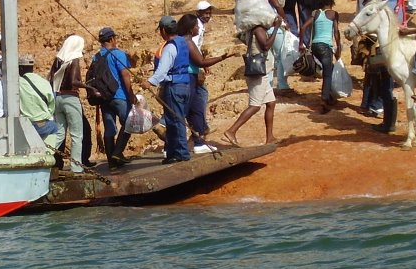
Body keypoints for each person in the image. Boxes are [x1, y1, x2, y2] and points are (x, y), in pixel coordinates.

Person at [145, 15, 232, 162]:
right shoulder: (184, 43)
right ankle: (172, 152)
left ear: (164, 31)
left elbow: (162, 70)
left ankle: (181, 154)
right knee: (176, 119)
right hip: (185, 84)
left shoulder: (170, 46)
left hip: (174, 86)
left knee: (176, 121)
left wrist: (149, 82)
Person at [217, 15, 281, 146]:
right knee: (255, 106)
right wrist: (276, 29)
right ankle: (231, 131)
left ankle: (270, 137)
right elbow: (266, 45)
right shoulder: (258, 30)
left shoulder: (252, 30)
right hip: (258, 74)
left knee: (271, 103)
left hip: (261, 72)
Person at [91, 27, 134, 167]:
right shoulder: (118, 54)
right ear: (111, 39)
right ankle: (118, 152)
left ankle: (112, 163)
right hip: (119, 95)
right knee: (129, 122)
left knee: (109, 128)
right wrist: (131, 94)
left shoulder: (96, 56)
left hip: (103, 97)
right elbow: (125, 75)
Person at [299, 0, 342, 113]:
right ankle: (324, 100)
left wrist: (301, 44)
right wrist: (339, 47)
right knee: (328, 74)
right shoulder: (333, 14)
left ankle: (330, 95)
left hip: (315, 46)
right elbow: (336, 32)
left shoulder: (316, 13)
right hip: (326, 47)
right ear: (331, 3)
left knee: (329, 69)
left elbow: (303, 28)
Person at [50, 36, 87, 172]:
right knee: (77, 135)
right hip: (70, 98)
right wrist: (89, 87)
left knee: (59, 134)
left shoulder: (58, 59)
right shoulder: (74, 59)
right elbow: (73, 82)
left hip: (57, 97)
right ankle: (76, 168)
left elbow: (51, 79)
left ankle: (43, 155)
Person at [17, 53, 59, 148]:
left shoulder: (16, 82)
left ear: (20, 68)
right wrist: (46, 115)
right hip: (43, 125)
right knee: (54, 128)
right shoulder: (44, 82)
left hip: (24, 126)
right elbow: (52, 104)